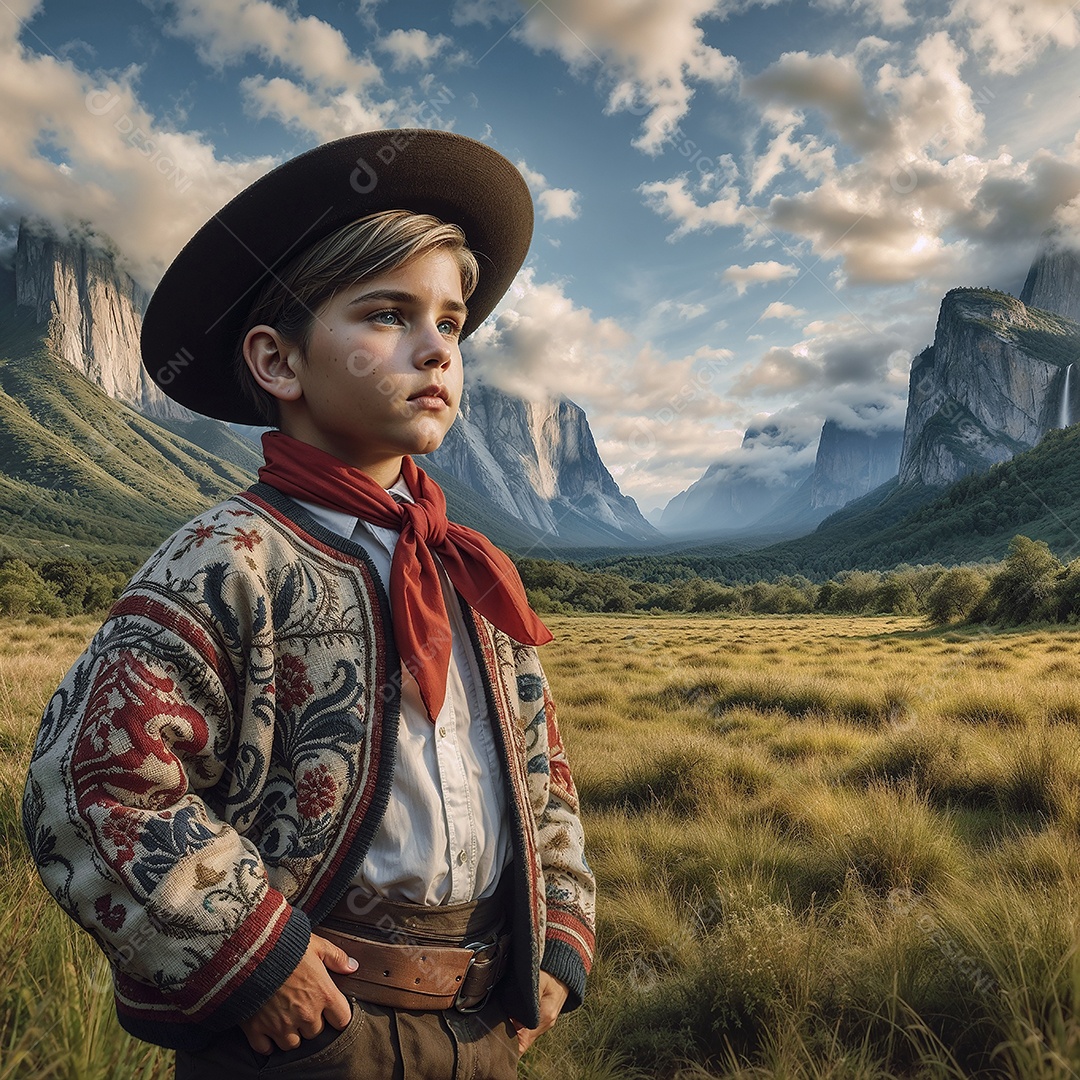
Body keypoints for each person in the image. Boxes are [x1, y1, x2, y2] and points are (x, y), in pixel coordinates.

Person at [23, 129, 595, 1079]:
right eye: (386, 315)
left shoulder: (470, 567)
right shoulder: (227, 560)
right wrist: (256, 955)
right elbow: (85, 782)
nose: (435, 349)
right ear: (279, 363)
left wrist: (558, 939)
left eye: (451, 323)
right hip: (305, 1034)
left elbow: (544, 765)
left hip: (482, 1016)